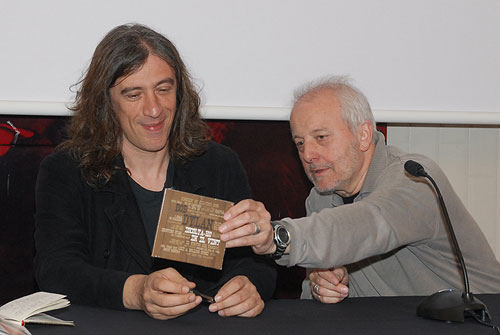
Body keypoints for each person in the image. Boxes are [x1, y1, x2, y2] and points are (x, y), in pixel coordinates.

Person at [34, 23, 276, 320]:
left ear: (180, 92)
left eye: (164, 89)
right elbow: (56, 270)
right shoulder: (67, 171)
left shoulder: (218, 164)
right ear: (106, 104)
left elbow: (253, 262)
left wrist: (249, 286)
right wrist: (136, 291)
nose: (154, 109)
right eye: (134, 95)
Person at [219, 76, 500, 302]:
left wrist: (278, 236)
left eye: (321, 137)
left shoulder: (415, 179)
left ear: (363, 134)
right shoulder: (320, 199)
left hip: (477, 321)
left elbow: (369, 225)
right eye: (300, 143)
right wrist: (321, 288)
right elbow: (312, 295)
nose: (308, 154)